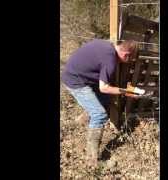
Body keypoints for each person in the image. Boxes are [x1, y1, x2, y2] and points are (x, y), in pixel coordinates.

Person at [61, 39, 144, 168]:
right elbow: (104, 87)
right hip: (75, 81)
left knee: (105, 99)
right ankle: (92, 161)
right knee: (99, 114)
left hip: (78, 75)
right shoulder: (110, 59)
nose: (130, 62)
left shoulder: (107, 45)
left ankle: (82, 120)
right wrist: (125, 91)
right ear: (126, 54)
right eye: (130, 59)